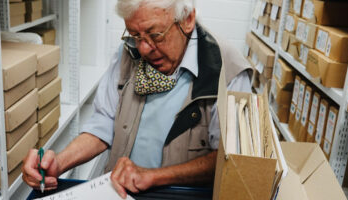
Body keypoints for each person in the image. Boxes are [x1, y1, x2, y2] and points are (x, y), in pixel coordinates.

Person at [22, 0, 252, 198]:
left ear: (188, 19)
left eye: (155, 35)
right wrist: (59, 163)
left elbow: (228, 160)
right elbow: (104, 122)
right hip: (119, 192)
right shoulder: (127, 53)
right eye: (134, 35)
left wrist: (153, 176)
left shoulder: (227, 70)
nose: (144, 49)